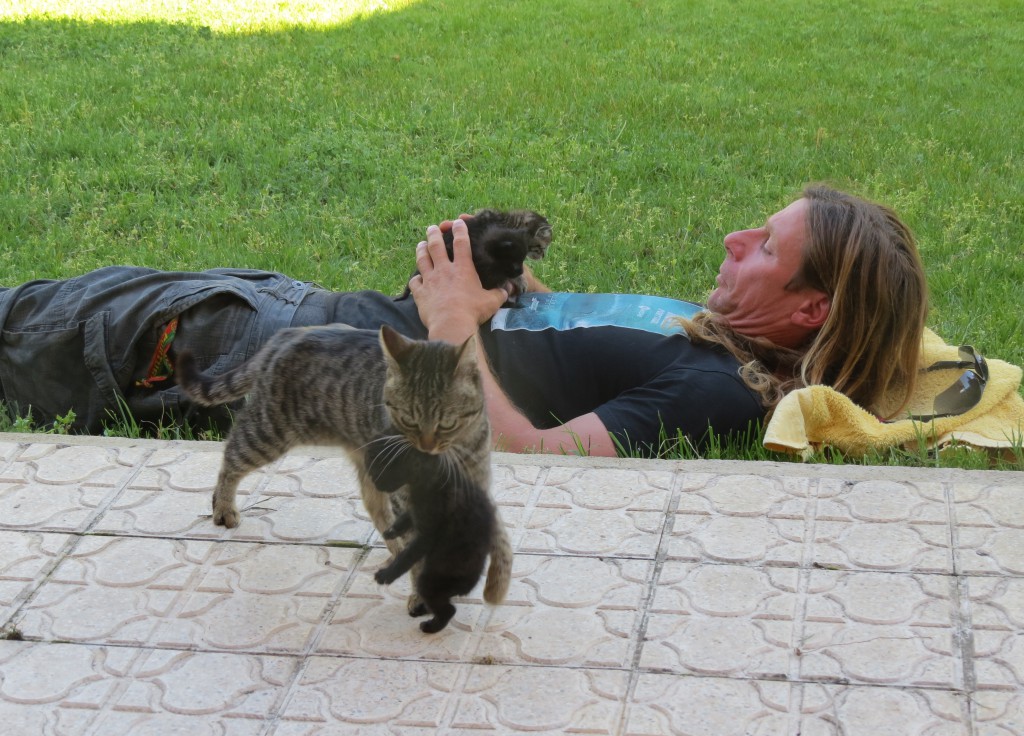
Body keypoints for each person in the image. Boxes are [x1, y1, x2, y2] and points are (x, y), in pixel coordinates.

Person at [0, 184, 928, 457]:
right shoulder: (716, 338)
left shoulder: (721, 389)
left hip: (258, 350)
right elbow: (555, 350)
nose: (732, 239)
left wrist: (450, 324)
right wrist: (500, 288)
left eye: (763, 246)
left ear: (809, 310)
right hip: (282, 311)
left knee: (45, 329)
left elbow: (527, 454)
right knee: (46, 306)